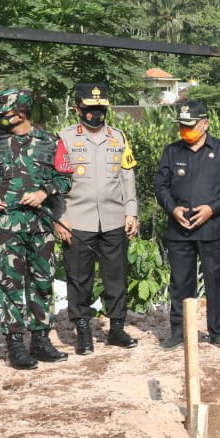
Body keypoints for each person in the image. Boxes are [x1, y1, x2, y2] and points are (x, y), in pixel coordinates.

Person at [0, 88, 72, 370]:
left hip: (41, 225)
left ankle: (40, 341)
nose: (1, 118)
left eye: (6, 113)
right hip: (6, 226)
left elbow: (65, 179)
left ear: (21, 113)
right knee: (8, 282)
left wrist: (43, 192)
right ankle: (15, 345)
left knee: (42, 282)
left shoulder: (51, 142)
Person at [54, 82, 139, 355]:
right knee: (79, 279)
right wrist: (60, 218)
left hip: (114, 219)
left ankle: (116, 329)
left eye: (101, 108)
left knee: (116, 276)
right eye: (90, 109)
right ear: (78, 109)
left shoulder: (118, 137)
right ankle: (83, 332)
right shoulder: (65, 139)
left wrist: (132, 212)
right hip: (77, 220)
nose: (96, 113)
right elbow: (56, 182)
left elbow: (127, 177)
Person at [154, 100, 220, 350]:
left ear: (205, 124)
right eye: (182, 126)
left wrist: (212, 209)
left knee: (217, 280)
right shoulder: (172, 152)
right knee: (181, 281)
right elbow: (160, 186)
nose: (185, 130)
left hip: (213, 228)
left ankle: (216, 331)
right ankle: (179, 332)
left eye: (190, 125)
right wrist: (173, 208)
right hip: (179, 228)